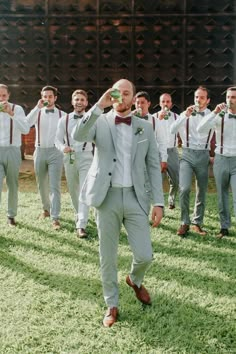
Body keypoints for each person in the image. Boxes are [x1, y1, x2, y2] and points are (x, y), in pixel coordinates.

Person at [72, 79, 164, 327]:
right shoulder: (98, 121)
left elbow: (153, 166)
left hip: (136, 197)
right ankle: (111, 303)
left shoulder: (145, 127)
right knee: (107, 256)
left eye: (127, 93)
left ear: (134, 98)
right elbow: (77, 134)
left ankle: (134, 279)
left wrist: (159, 202)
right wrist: (98, 106)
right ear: (111, 96)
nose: (122, 97)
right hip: (106, 197)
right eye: (117, 93)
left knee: (145, 255)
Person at [170, 86, 213, 237]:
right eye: (196, 97)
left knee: (201, 190)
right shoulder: (185, 114)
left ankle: (197, 223)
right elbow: (172, 130)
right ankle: (184, 222)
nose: (198, 100)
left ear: (207, 100)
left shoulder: (211, 115)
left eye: (201, 97)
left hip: (203, 154)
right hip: (187, 154)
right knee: (184, 188)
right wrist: (184, 116)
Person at [197, 86, 236, 238]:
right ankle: (224, 227)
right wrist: (214, 112)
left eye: (233, 97)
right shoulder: (219, 116)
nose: (230, 100)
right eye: (228, 97)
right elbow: (201, 129)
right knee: (222, 195)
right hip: (220, 159)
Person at [55, 89, 93, 238]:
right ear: (72, 102)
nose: (79, 102)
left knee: (84, 189)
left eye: (82, 100)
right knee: (73, 189)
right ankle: (79, 215)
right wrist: (62, 147)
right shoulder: (63, 120)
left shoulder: (91, 118)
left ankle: (81, 225)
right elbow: (56, 139)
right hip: (69, 156)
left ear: (86, 103)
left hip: (86, 157)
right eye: (76, 99)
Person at [26, 85, 65, 230]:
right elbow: (27, 123)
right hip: (40, 151)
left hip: (56, 152)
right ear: (42, 97)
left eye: (50, 96)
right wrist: (37, 108)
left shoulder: (63, 115)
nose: (47, 99)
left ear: (55, 98)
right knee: (41, 184)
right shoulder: (38, 113)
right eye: (45, 96)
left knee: (55, 186)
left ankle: (55, 217)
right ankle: (46, 210)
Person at [0, 83, 29, 226]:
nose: (1, 98)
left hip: (13, 150)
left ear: (9, 95)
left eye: (3, 95)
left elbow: (25, 129)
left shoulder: (17, 109)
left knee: (12, 183)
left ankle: (11, 215)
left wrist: (11, 115)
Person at [153, 93, 180, 209]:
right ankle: (159, 206)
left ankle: (171, 200)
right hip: (158, 152)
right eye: (163, 101)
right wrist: (158, 121)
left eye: (168, 101)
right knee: (158, 181)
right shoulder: (153, 117)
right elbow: (150, 135)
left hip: (172, 151)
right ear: (159, 103)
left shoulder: (177, 117)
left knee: (176, 180)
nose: (165, 104)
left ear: (171, 104)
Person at [134, 91, 168, 174]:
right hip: (134, 157)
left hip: (151, 157)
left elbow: (161, 141)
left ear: (148, 104)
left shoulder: (155, 121)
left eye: (142, 103)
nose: (139, 105)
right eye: (137, 103)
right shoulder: (130, 120)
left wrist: (163, 159)